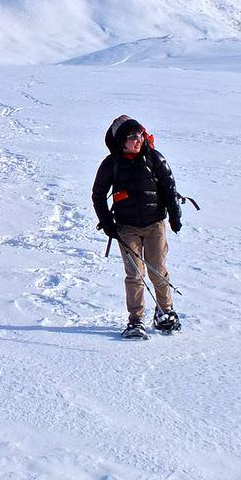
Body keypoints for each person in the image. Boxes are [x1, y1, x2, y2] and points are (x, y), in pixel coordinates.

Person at [91, 115, 183, 339]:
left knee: (157, 270)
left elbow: (169, 188)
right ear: (122, 140)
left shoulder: (154, 158)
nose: (138, 140)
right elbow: (98, 195)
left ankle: (165, 312)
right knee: (134, 274)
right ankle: (135, 321)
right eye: (132, 136)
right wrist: (107, 223)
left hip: (155, 225)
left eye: (140, 135)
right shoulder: (111, 164)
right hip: (126, 227)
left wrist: (174, 216)